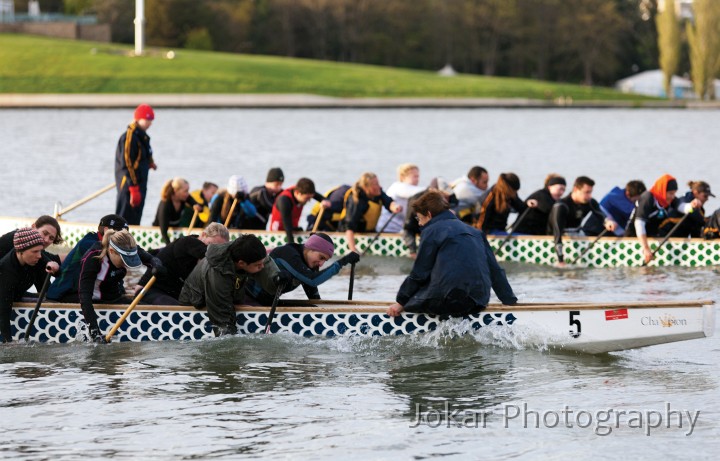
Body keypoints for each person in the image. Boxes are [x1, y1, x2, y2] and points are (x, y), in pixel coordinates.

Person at [386, 191, 517, 317]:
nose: (419, 224)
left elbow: (420, 273)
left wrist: (401, 302)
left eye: (420, 218)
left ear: (429, 215)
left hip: (446, 301)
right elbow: (495, 270)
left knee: (411, 299)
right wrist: (509, 301)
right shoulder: (476, 232)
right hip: (478, 300)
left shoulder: (431, 230)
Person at [179, 234, 284, 336]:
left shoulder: (247, 251)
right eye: (258, 265)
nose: (262, 266)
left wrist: (277, 277)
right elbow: (222, 321)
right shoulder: (217, 274)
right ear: (241, 263)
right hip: (194, 307)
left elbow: (265, 261)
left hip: (226, 298)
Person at [77, 229, 161, 343]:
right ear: (111, 251)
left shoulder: (129, 248)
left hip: (114, 297)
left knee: (147, 306)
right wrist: (95, 333)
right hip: (92, 301)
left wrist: (157, 265)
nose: (127, 264)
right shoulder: (93, 259)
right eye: (124, 260)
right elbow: (84, 297)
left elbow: (151, 259)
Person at [246, 233, 360, 304]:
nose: (321, 264)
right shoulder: (288, 253)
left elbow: (314, 297)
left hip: (268, 302)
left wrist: (320, 311)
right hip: (248, 298)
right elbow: (313, 280)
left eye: (324, 261)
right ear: (310, 248)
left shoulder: (311, 264)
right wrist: (342, 262)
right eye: (321, 257)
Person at [137, 223, 230, 305]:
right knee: (179, 311)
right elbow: (214, 256)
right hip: (147, 291)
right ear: (203, 235)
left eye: (219, 248)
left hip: (170, 294)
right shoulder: (189, 242)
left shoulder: (201, 255)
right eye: (212, 245)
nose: (215, 250)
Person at [47, 214, 129, 301]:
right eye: (121, 233)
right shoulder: (89, 244)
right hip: (63, 294)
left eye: (126, 234)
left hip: (79, 292)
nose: (123, 238)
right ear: (106, 230)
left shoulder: (104, 244)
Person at [0, 228, 61, 343]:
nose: (39, 256)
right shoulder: (6, 270)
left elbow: (58, 273)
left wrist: (55, 268)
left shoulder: (37, 256)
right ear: (20, 251)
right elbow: (4, 311)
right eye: (35, 252)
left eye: (40, 251)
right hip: (4, 299)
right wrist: (8, 341)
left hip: (17, 294)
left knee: (56, 299)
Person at [626, 174, 701, 264]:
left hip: (652, 236)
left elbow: (683, 207)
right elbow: (639, 224)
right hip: (633, 237)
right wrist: (645, 248)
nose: (673, 196)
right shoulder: (648, 198)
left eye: (674, 193)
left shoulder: (668, 200)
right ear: (662, 190)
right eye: (670, 193)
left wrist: (692, 204)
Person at [548, 176, 617, 266]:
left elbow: (600, 215)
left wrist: (608, 222)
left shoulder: (589, 202)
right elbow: (557, 233)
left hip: (577, 234)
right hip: (556, 238)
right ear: (576, 189)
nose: (589, 196)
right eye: (587, 192)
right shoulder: (561, 206)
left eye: (590, 192)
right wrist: (560, 260)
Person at [339, 172, 402, 254]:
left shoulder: (378, 193)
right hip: (349, 234)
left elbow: (388, 202)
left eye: (378, 183)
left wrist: (395, 207)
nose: (379, 186)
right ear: (366, 187)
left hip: (370, 232)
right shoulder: (357, 201)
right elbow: (349, 227)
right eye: (375, 184)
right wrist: (353, 250)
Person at [115, 103, 156, 225]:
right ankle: (117, 240)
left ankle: (131, 241)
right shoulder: (129, 136)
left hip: (141, 183)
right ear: (138, 119)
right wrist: (133, 188)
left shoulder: (142, 136)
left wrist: (150, 162)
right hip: (129, 184)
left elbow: (144, 153)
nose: (150, 123)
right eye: (147, 120)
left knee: (135, 217)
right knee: (124, 218)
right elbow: (127, 163)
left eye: (151, 120)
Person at [402, 177, 457, 259]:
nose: (446, 200)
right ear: (432, 191)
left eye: (447, 196)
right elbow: (408, 228)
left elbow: (455, 203)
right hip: (419, 229)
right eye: (443, 196)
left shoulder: (451, 197)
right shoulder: (415, 201)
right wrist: (413, 251)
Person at [269, 177, 330, 244]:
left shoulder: (303, 190)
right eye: (307, 198)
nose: (309, 201)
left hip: (293, 229)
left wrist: (325, 201)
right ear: (298, 193)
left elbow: (323, 198)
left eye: (310, 198)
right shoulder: (284, 200)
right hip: (278, 234)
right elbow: (287, 225)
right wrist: (291, 244)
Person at [376, 163, 425, 234]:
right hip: (387, 230)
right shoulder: (397, 187)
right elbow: (421, 193)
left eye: (418, 176)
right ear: (403, 177)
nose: (417, 179)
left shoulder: (413, 189)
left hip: (399, 229)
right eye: (415, 176)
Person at [152, 177, 203, 244]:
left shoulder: (184, 197)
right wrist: (170, 248)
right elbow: (163, 232)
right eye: (185, 191)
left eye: (188, 190)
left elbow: (200, 208)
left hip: (175, 232)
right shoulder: (165, 204)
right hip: (158, 235)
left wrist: (197, 207)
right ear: (176, 190)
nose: (187, 194)